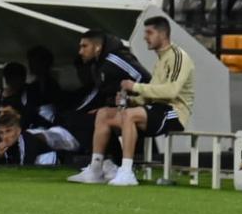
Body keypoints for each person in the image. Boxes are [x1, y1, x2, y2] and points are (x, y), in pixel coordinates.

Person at [69, 17, 194, 186]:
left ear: (163, 34)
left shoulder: (178, 56)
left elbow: (171, 91)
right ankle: (96, 169)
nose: (145, 37)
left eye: (149, 32)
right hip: (156, 108)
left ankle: (127, 171)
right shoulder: (161, 60)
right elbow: (151, 94)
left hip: (175, 112)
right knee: (104, 114)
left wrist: (135, 86)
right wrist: (130, 99)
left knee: (129, 115)